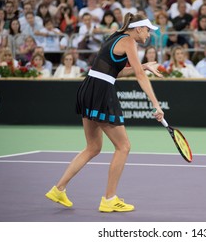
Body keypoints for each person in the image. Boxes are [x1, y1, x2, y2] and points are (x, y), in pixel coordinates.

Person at [45, 13, 164, 213]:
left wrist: (142, 66)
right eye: (148, 30)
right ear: (137, 29)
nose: (149, 34)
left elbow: (115, 71)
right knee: (123, 146)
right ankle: (109, 199)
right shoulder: (128, 42)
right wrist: (156, 105)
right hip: (101, 92)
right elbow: (140, 77)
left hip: (89, 88)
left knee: (93, 147)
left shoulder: (114, 37)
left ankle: (58, 189)